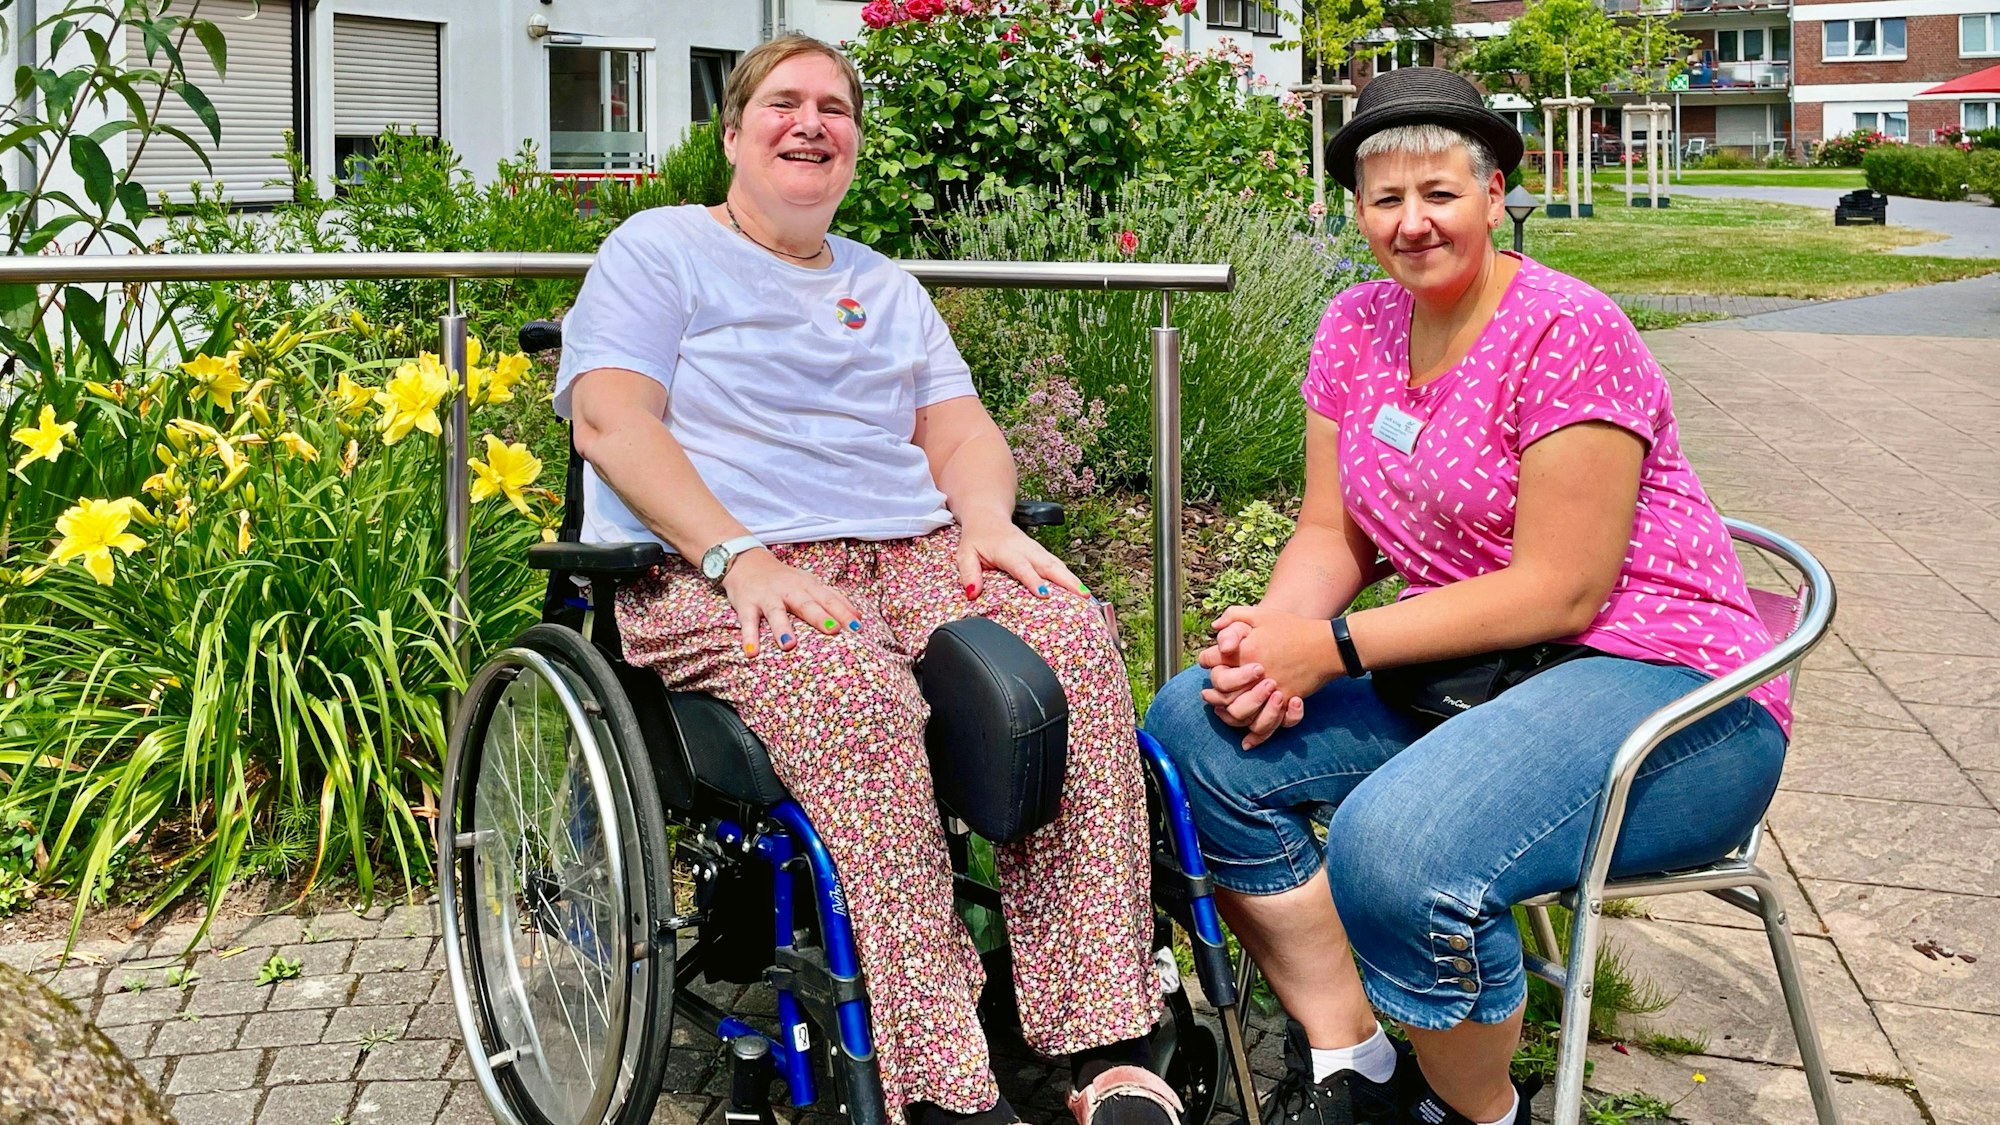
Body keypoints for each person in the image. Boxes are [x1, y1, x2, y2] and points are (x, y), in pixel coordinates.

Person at [552, 33, 1181, 1125]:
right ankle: (939, 1084)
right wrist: (735, 551)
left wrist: (984, 519)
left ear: (851, 144)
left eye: (833, 108)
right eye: (784, 103)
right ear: (734, 132)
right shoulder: (659, 250)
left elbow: (957, 427)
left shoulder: (881, 283)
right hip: (723, 564)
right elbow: (610, 418)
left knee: (1068, 635)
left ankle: (1104, 1045)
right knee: (854, 697)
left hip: (908, 552)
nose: (811, 123)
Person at [1143, 67, 1791, 1125]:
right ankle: (1356, 1061)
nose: (1410, 223)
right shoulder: (1352, 327)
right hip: (1474, 675)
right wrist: (1277, 641)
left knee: (1399, 853)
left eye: (1438, 192)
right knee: (1193, 734)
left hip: (1663, 694)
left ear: (1494, 196)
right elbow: (1328, 529)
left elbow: (1561, 589)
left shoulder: (1566, 327)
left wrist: (1335, 647)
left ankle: (1478, 1114)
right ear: (1350, 209)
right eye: (1382, 198)